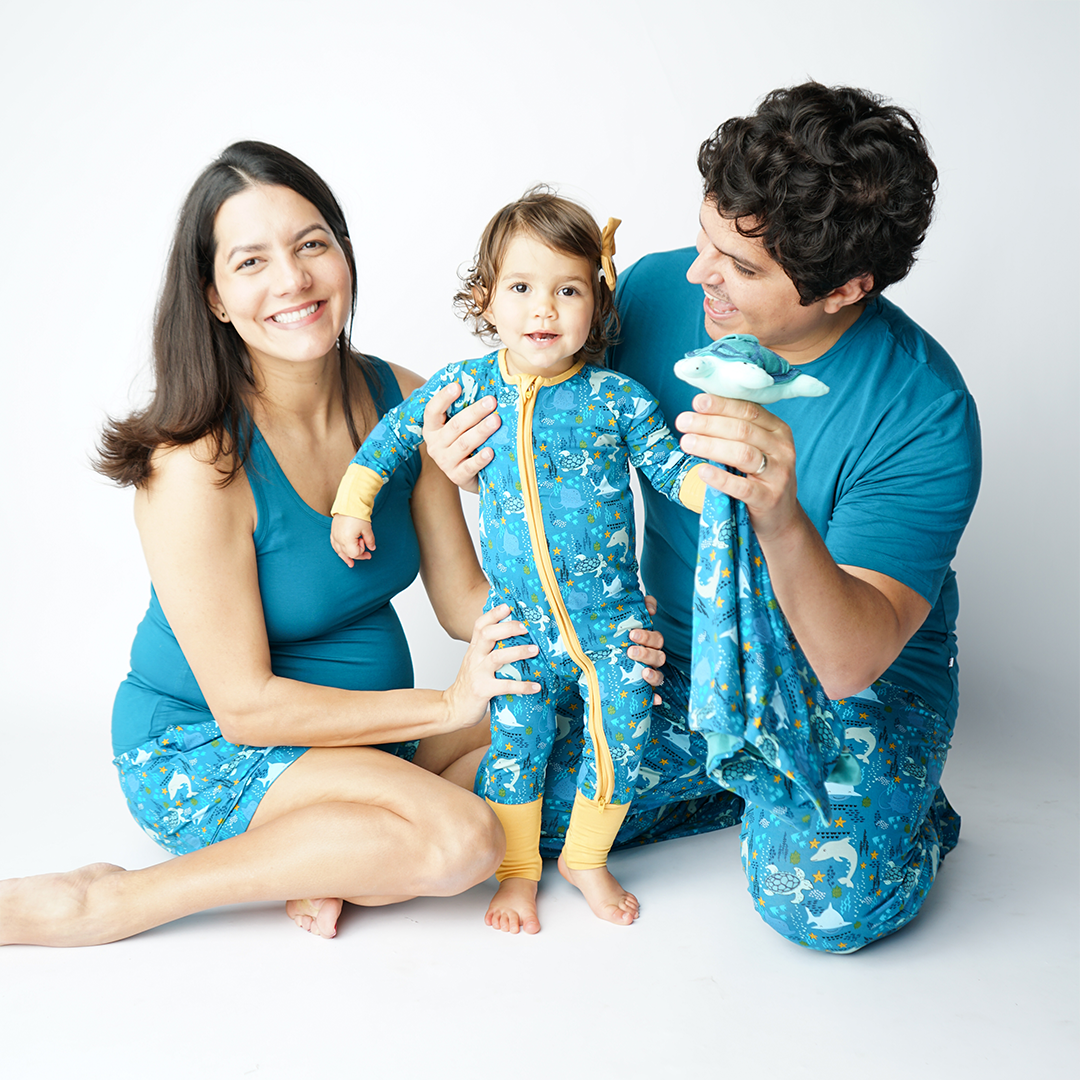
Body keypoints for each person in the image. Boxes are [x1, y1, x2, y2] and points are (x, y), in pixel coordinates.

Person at [0, 141, 669, 947]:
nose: (293, 280)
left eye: (311, 244)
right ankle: (125, 897)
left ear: (343, 254)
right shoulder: (193, 466)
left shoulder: (409, 398)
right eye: (252, 261)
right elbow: (245, 710)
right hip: (211, 745)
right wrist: (452, 704)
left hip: (367, 733)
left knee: (561, 704)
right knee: (464, 842)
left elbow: (465, 603)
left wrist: (595, 624)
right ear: (213, 296)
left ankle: (328, 858)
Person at [419, 83, 982, 952]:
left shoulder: (923, 411)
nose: (698, 275)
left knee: (823, 910)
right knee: (507, 822)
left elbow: (849, 658)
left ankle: (901, 815)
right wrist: (462, 465)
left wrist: (781, 513)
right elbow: (555, 418)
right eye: (705, 237)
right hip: (673, 658)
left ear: (846, 289)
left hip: (848, 688)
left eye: (742, 267)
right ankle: (733, 779)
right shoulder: (649, 294)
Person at [330, 190, 707, 933]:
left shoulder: (618, 399)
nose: (545, 309)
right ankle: (518, 870)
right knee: (519, 742)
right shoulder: (466, 386)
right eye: (522, 288)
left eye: (568, 290)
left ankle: (588, 858)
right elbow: (392, 438)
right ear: (486, 299)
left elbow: (670, 471)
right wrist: (354, 503)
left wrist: (723, 491)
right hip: (520, 625)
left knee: (624, 731)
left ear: (596, 305)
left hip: (613, 624)